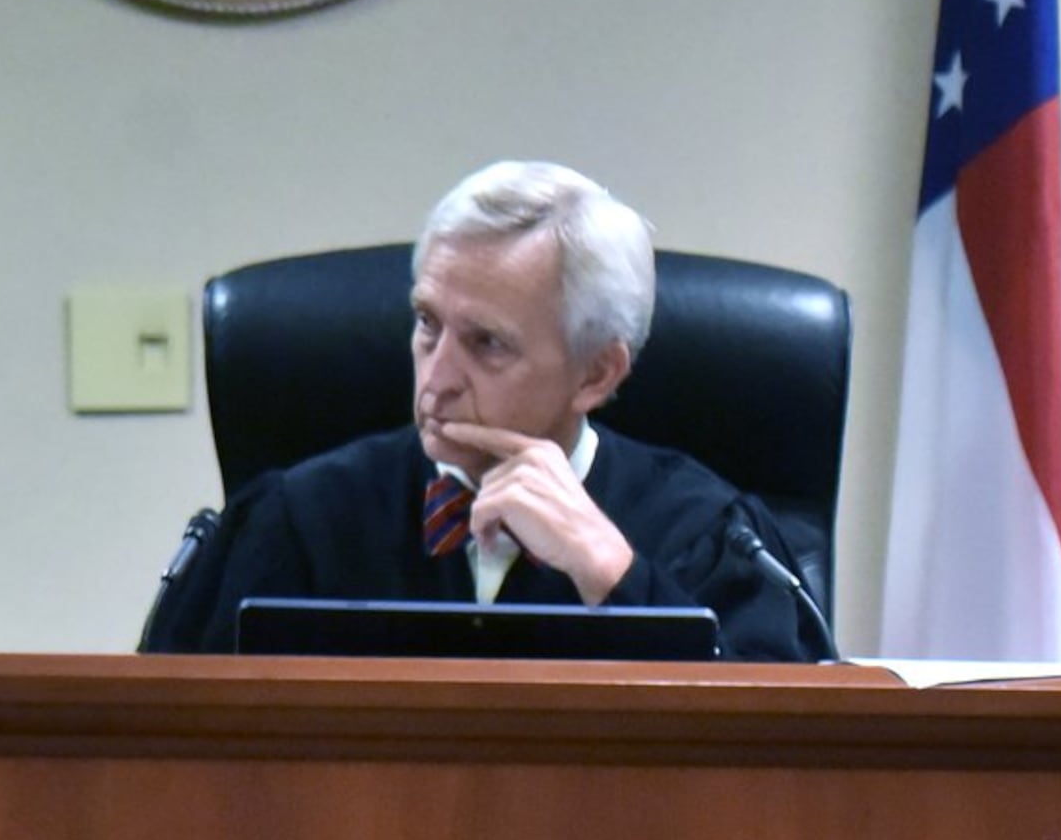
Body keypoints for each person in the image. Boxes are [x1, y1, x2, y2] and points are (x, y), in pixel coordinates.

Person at [138, 162, 828, 663]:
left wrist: (618, 577)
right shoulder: (303, 519)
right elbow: (169, 738)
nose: (435, 380)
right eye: (426, 324)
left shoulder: (706, 533)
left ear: (597, 372)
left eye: (486, 344)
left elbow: (777, 771)